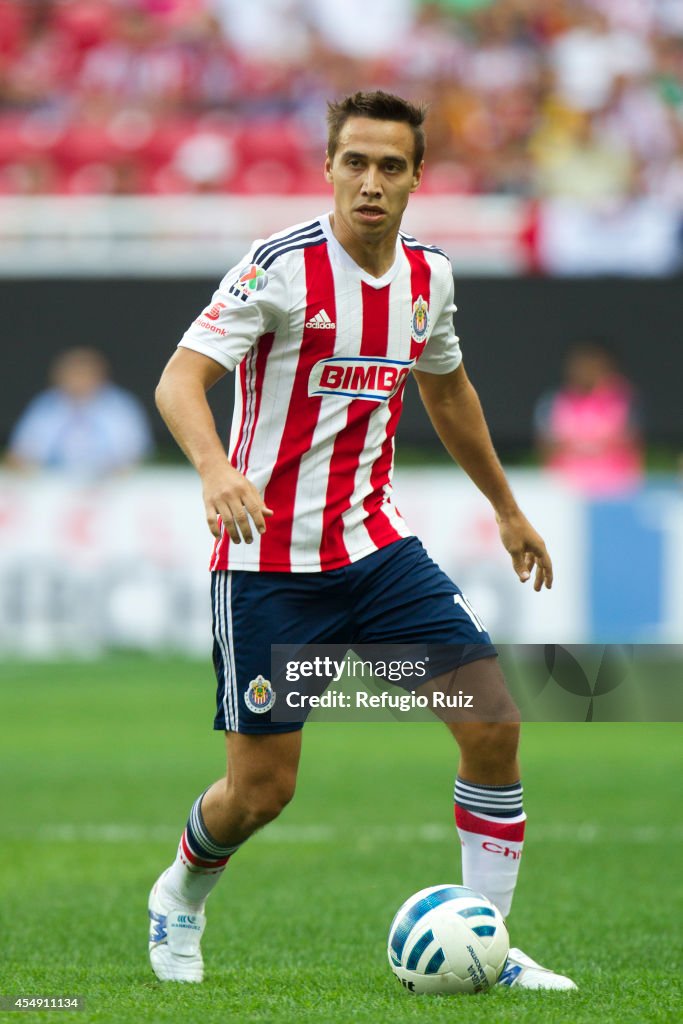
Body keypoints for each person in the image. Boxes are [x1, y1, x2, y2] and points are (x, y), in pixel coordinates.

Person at [151, 90, 576, 991]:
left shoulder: (428, 277)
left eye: (391, 165)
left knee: (491, 724)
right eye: (356, 162)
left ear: (418, 177)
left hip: (376, 551)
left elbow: (447, 388)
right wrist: (215, 470)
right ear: (330, 168)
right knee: (261, 792)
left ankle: (488, 943)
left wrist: (504, 505)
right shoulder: (278, 268)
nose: (371, 182)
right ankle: (181, 891)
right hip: (271, 564)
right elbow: (180, 382)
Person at [6, 347, 153, 475]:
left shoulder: (120, 406)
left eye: (83, 373)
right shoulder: (46, 406)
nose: (77, 380)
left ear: (99, 376)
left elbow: (134, 454)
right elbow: (21, 452)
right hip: (53, 488)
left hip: (108, 489)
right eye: (72, 374)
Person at [534, 339, 643, 496]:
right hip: (565, 489)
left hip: (614, 491)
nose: (586, 371)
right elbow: (545, 446)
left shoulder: (623, 400)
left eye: (593, 365)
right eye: (580, 365)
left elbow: (632, 441)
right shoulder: (553, 402)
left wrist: (577, 444)